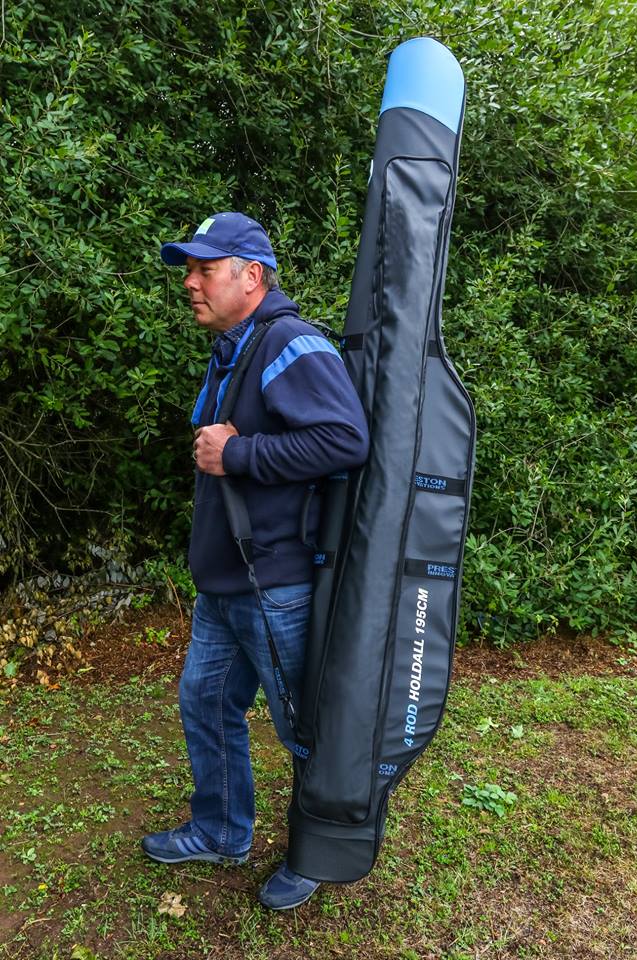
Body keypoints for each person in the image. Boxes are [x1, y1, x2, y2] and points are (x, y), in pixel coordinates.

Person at [141, 212, 369, 910]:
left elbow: (343, 439)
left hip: (276, 584)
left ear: (252, 276)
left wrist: (236, 453)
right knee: (205, 706)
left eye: (205, 269)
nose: (190, 282)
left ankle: (318, 849)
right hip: (227, 582)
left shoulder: (290, 344)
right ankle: (220, 830)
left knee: (303, 727)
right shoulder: (234, 348)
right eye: (189, 269)